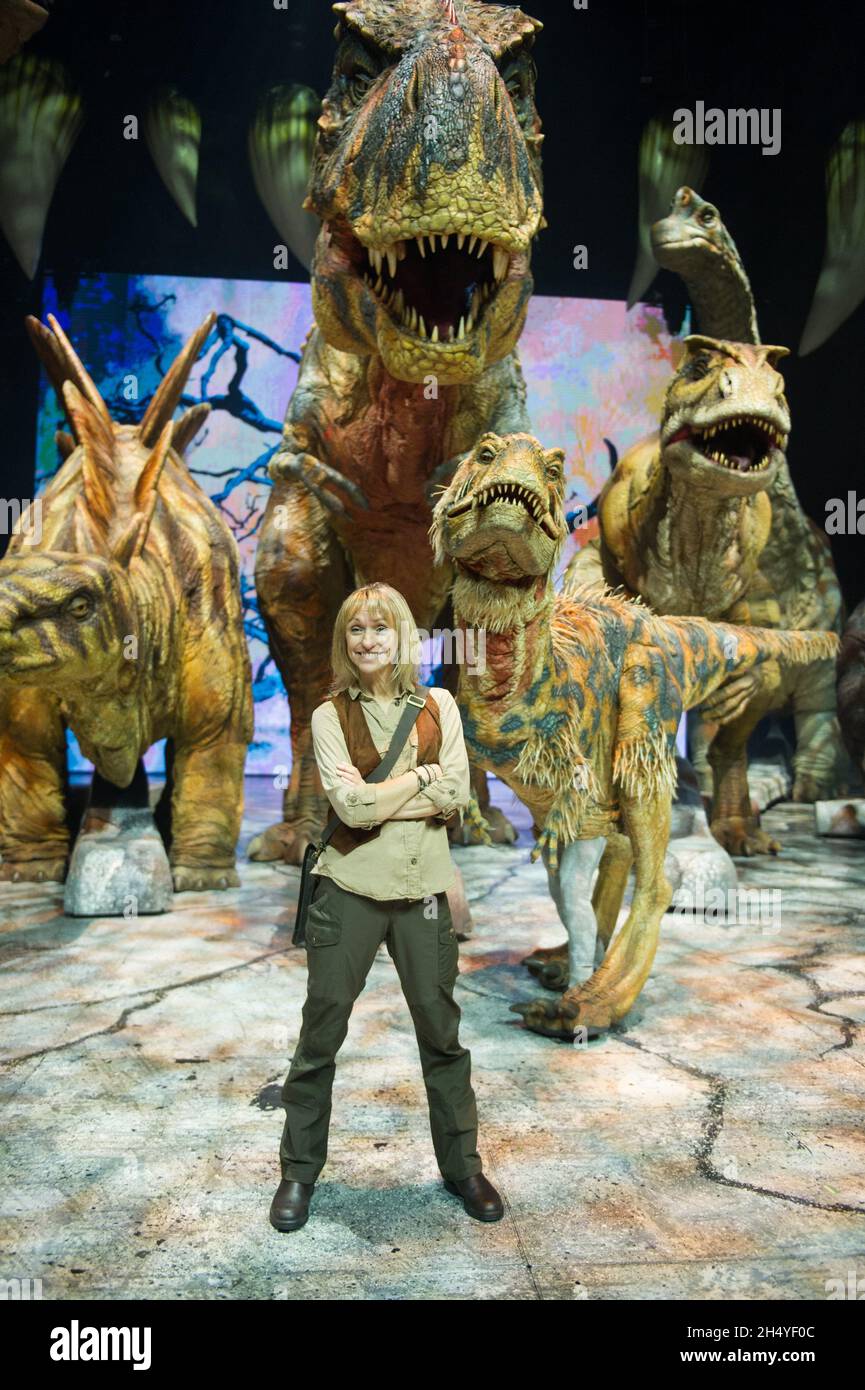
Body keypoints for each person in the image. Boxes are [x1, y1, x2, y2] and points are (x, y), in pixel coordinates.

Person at [270, 581, 503, 1231]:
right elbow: (351, 808)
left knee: (442, 1037)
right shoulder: (329, 715)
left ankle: (463, 1167)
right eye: (355, 630)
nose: (367, 641)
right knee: (321, 1034)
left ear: (401, 636)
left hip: (425, 890)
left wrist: (406, 792)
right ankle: (297, 1173)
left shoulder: (439, 706)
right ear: (344, 642)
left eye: (380, 628)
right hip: (348, 890)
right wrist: (420, 781)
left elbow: (457, 792)